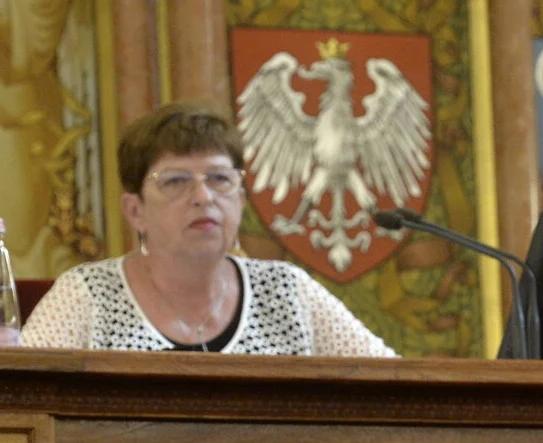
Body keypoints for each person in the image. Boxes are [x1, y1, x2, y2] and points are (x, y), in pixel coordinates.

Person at [20, 102, 395, 356]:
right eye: (176, 181)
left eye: (219, 179)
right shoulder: (87, 296)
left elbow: (392, 387)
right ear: (135, 210)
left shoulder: (287, 293)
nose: (203, 196)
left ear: (242, 199)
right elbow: (17, 401)